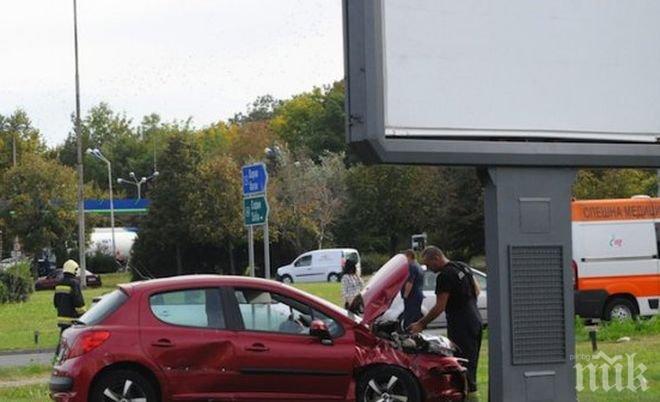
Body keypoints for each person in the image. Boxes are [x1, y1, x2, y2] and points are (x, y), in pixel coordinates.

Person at [410, 246, 482, 398]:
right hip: (474, 319)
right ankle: (471, 391)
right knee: (471, 362)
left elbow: (439, 306)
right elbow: (477, 290)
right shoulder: (462, 266)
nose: (428, 269)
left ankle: (466, 395)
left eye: (428, 265)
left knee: (460, 364)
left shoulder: (445, 276)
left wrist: (421, 324)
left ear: (436, 258)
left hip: (460, 323)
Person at [53, 259, 86, 355]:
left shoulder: (59, 283)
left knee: (63, 339)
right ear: (73, 270)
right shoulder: (74, 283)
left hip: (61, 318)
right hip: (72, 318)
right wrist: (84, 315)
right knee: (74, 340)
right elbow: (78, 301)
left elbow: (55, 302)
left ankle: (58, 357)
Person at [401, 249, 424, 331]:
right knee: (416, 317)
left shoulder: (411, 266)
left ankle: (409, 335)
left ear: (410, 256)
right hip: (418, 295)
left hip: (412, 296)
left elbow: (410, 282)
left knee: (409, 318)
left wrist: (405, 295)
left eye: (405, 257)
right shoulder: (419, 266)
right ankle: (416, 334)